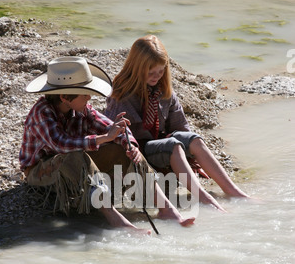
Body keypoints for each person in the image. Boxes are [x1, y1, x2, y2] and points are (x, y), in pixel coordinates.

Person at [19, 55, 195, 232]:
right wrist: (103, 138)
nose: (89, 97)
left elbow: (111, 127)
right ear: (65, 97)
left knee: (123, 149)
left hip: (72, 163)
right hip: (40, 172)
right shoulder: (41, 112)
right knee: (76, 157)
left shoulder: (82, 108)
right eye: (85, 94)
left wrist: (129, 144)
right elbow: (61, 145)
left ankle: (167, 209)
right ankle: (115, 219)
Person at [104, 35, 250, 212]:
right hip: (137, 151)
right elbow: (116, 138)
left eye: (160, 71)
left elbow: (181, 128)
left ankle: (233, 191)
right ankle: (204, 198)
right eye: (151, 72)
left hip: (161, 144)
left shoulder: (163, 91)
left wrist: (192, 157)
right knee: (174, 145)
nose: (156, 76)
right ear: (137, 68)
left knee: (194, 139)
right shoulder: (122, 95)